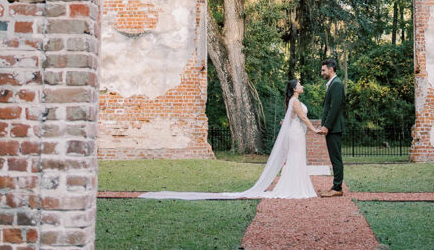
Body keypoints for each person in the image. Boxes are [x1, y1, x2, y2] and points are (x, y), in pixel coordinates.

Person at [139, 77, 319, 201]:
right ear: (294, 88)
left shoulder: (293, 102)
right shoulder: (295, 101)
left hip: (295, 133)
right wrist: (314, 130)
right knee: (295, 158)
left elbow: (293, 118)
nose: (302, 86)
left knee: (296, 158)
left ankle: (296, 186)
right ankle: (294, 187)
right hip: (296, 134)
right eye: (299, 84)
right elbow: (303, 118)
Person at [318, 57, 345, 197]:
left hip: (334, 128)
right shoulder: (332, 83)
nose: (322, 72)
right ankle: (336, 186)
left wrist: (327, 126)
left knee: (336, 158)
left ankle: (337, 187)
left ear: (331, 69)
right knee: (334, 157)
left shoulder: (336, 84)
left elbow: (334, 108)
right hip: (332, 128)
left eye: (323, 70)